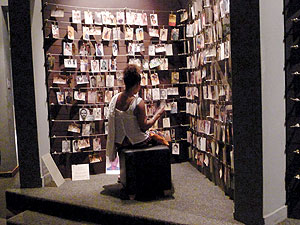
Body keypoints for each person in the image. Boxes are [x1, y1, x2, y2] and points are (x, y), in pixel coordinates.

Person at [106, 65, 165, 162]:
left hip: (120, 142)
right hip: (135, 142)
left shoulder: (114, 99)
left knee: (154, 135)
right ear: (137, 84)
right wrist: (158, 114)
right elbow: (144, 126)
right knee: (161, 140)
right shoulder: (138, 102)